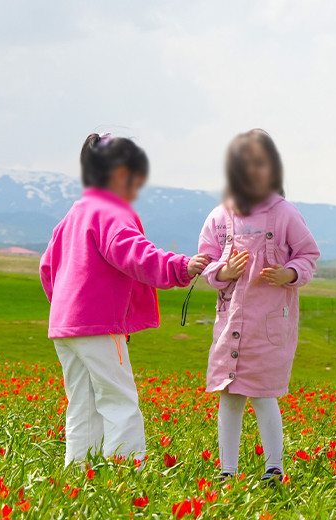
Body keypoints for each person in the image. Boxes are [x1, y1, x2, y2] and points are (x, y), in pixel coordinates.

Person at [40, 133, 210, 467]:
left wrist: (65, 308)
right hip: (100, 324)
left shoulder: (75, 213)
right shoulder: (111, 212)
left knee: (83, 405)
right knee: (119, 401)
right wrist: (181, 267)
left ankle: (79, 473)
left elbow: (48, 267)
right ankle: (124, 474)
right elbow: (135, 253)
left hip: (66, 326)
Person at [198, 129, 320, 488]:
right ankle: (227, 470)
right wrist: (222, 272)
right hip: (231, 325)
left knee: (264, 396)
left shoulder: (285, 214)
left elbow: (308, 254)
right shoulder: (220, 216)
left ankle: (274, 468)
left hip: (268, 326)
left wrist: (289, 273)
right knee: (229, 396)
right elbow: (205, 259)